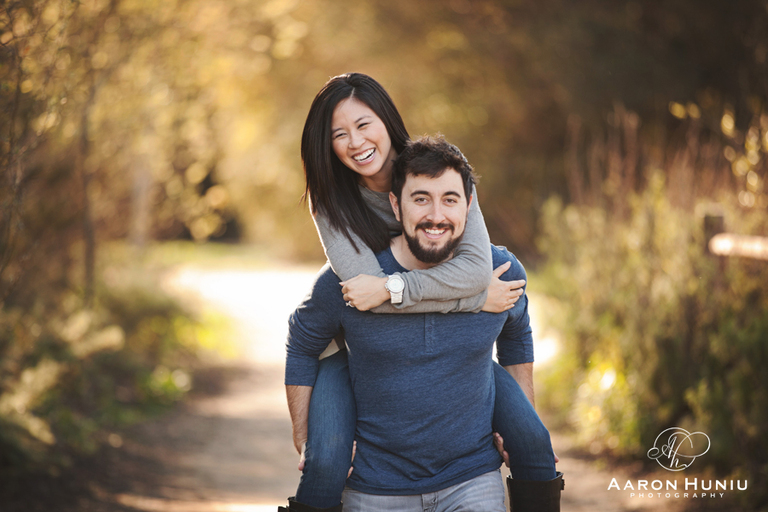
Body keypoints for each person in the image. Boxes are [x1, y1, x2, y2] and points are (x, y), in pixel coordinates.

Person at [280, 73, 561, 512]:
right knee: (326, 458)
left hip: (422, 320)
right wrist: (473, 301)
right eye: (339, 133)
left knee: (532, 441)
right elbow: (370, 296)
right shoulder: (331, 201)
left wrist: (458, 289)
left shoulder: (440, 168)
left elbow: (472, 272)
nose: (356, 142)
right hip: (353, 349)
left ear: (387, 121)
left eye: (364, 124)